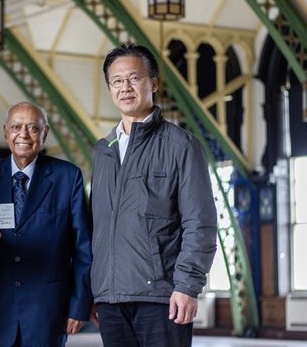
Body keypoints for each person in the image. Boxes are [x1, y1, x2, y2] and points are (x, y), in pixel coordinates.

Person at [90, 44, 217, 347]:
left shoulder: (181, 145)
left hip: (162, 298)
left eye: (134, 78)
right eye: (117, 81)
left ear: (154, 83)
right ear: (110, 88)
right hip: (110, 298)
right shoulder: (102, 151)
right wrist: (94, 291)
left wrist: (187, 286)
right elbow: (97, 227)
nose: (125, 87)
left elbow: (199, 222)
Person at [0, 102, 92, 347]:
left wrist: (78, 306)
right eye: (16, 127)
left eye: (33, 128)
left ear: (45, 133)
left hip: (47, 310)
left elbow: (83, 249)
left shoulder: (68, 177)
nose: (23, 134)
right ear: (5, 132)